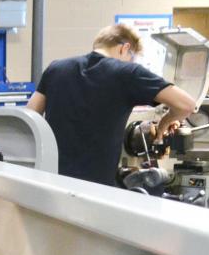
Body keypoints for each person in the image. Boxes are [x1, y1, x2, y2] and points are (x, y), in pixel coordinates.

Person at [28, 24, 196, 187]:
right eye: (132, 56)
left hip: (51, 182)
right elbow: (187, 105)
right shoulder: (128, 73)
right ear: (124, 48)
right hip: (97, 189)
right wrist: (164, 124)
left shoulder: (56, 68)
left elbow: (29, 117)